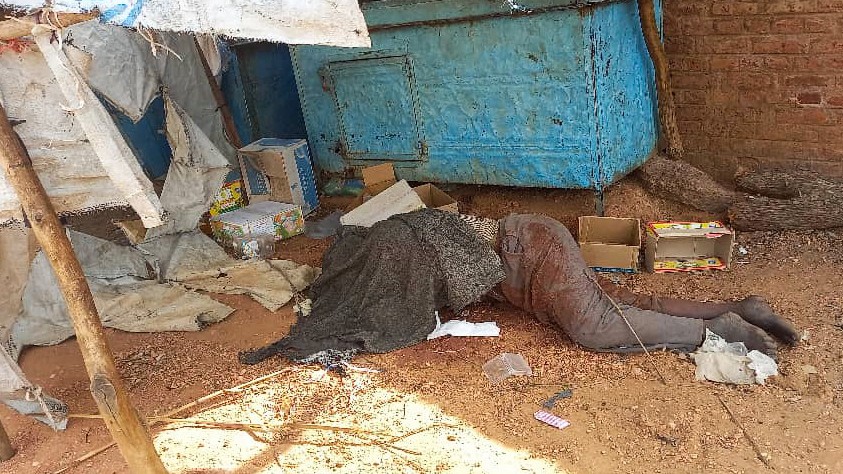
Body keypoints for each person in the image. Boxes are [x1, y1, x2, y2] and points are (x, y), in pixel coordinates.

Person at [480, 214, 799, 358]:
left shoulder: (448, 246)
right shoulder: (451, 234)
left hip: (526, 249)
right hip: (530, 243)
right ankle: (740, 309)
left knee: (593, 327)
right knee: (629, 303)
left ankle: (712, 330)